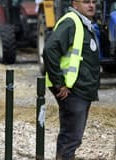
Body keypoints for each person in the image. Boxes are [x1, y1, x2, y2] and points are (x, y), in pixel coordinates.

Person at [42, 0, 100, 159]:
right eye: (86, 2)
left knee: (73, 138)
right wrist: (59, 83)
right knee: (71, 138)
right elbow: (49, 50)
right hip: (71, 90)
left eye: (94, 2)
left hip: (79, 90)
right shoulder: (71, 22)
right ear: (75, 4)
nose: (91, 5)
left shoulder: (83, 24)